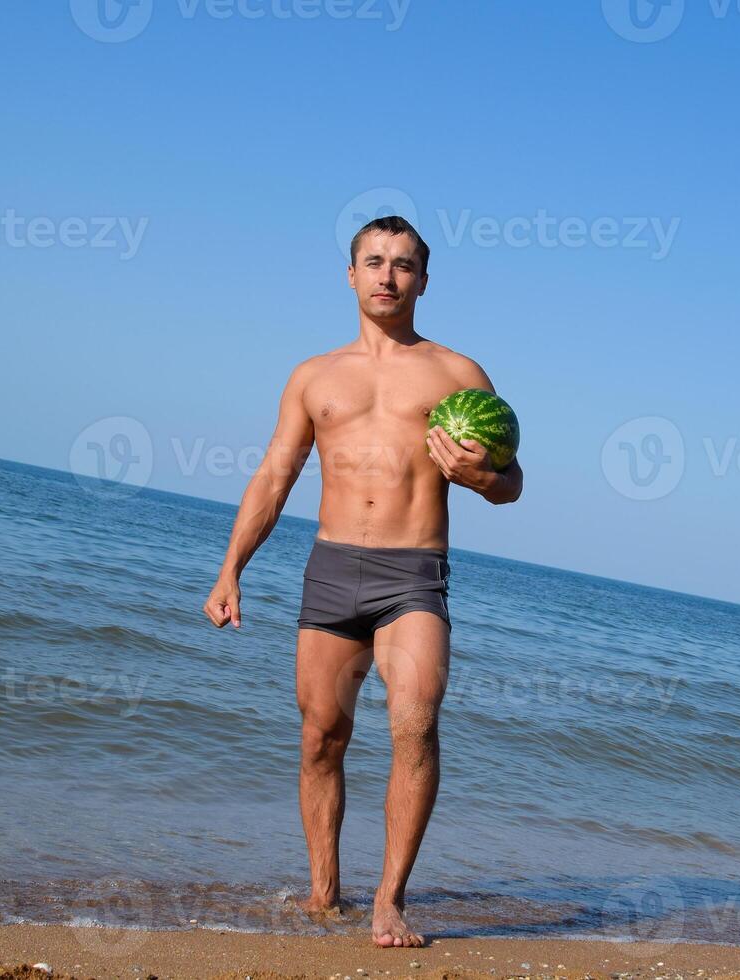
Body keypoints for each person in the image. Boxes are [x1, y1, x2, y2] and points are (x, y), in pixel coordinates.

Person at [203, 215, 523, 948]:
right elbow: (276, 475)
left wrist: (482, 477)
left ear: (423, 281)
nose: (387, 275)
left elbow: (511, 482)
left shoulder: (459, 374)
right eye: (374, 261)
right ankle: (324, 894)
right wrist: (230, 571)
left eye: (403, 265)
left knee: (414, 721)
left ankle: (388, 901)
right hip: (331, 568)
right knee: (322, 737)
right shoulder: (315, 376)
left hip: (413, 574)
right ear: (350, 275)